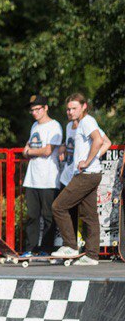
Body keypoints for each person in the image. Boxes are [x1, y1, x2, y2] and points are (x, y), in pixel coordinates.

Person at [52, 94, 107, 265]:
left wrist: (88, 161)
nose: (70, 112)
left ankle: (70, 246)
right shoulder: (76, 125)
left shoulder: (87, 121)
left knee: (58, 206)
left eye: (74, 108)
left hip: (86, 174)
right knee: (89, 215)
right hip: (89, 174)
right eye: (68, 109)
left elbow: (100, 141)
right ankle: (92, 256)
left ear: (84, 106)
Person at [21, 95, 62, 257]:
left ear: (46, 108)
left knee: (48, 216)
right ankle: (30, 249)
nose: (34, 113)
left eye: (37, 109)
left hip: (48, 178)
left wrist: (29, 152)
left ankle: (46, 248)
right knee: (32, 215)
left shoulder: (54, 126)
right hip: (32, 178)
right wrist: (28, 151)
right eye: (32, 110)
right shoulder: (34, 126)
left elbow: (47, 151)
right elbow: (27, 147)